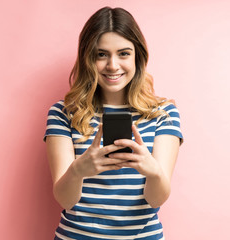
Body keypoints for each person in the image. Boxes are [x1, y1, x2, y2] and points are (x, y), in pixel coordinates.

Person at [44, 6, 183, 240]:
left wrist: (153, 171)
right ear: (88, 58)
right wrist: (78, 170)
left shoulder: (163, 113)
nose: (112, 65)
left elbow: (157, 198)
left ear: (138, 55)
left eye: (124, 53)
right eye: (101, 54)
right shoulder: (62, 113)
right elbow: (65, 200)